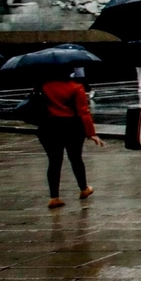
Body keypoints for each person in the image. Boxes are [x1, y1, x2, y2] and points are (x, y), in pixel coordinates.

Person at [38, 70, 104, 208]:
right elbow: (83, 111)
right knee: (76, 158)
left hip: (48, 127)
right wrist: (91, 133)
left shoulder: (42, 86)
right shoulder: (75, 87)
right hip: (72, 127)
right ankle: (83, 188)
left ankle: (54, 197)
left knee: (54, 161)